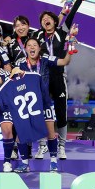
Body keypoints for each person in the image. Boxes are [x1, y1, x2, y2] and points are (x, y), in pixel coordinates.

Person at [32, 0, 83, 160]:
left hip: (59, 77)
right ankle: (42, 145)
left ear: (55, 21)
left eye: (48, 18)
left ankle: (61, 146)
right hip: (42, 78)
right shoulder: (37, 36)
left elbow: (72, 14)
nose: (45, 20)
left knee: (61, 113)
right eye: (43, 19)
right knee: (40, 113)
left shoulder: (62, 32)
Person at [13, 38, 73, 171]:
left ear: (39, 48)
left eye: (35, 45)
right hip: (28, 105)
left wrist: (70, 49)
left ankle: (53, 162)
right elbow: (12, 79)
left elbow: (65, 61)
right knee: (21, 134)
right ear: (25, 49)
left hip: (44, 103)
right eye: (29, 45)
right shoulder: (20, 63)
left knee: (51, 133)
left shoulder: (45, 59)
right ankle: (24, 163)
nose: (32, 47)